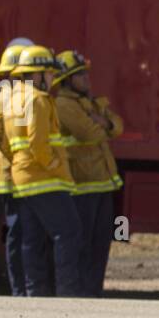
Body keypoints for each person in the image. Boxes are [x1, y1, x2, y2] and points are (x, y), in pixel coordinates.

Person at [5, 45, 85, 297]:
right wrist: (54, 166)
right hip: (45, 178)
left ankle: (34, 292)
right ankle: (67, 291)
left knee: (32, 238)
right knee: (69, 231)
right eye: (49, 74)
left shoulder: (12, 98)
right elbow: (38, 143)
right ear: (37, 74)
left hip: (23, 178)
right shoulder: (38, 99)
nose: (52, 79)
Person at [54, 50, 124, 297]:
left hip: (102, 184)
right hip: (81, 185)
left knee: (100, 244)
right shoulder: (64, 104)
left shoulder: (90, 102)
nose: (86, 79)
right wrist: (103, 123)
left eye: (85, 74)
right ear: (66, 80)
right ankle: (81, 293)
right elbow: (90, 133)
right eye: (79, 75)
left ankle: (93, 292)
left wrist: (103, 122)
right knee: (82, 245)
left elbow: (118, 125)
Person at [0, 40, 33, 297]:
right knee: (18, 233)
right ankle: (19, 288)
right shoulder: (7, 97)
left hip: (16, 174)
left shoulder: (11, 95)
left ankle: (22, 287)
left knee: (22, 232)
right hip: (12, 177)